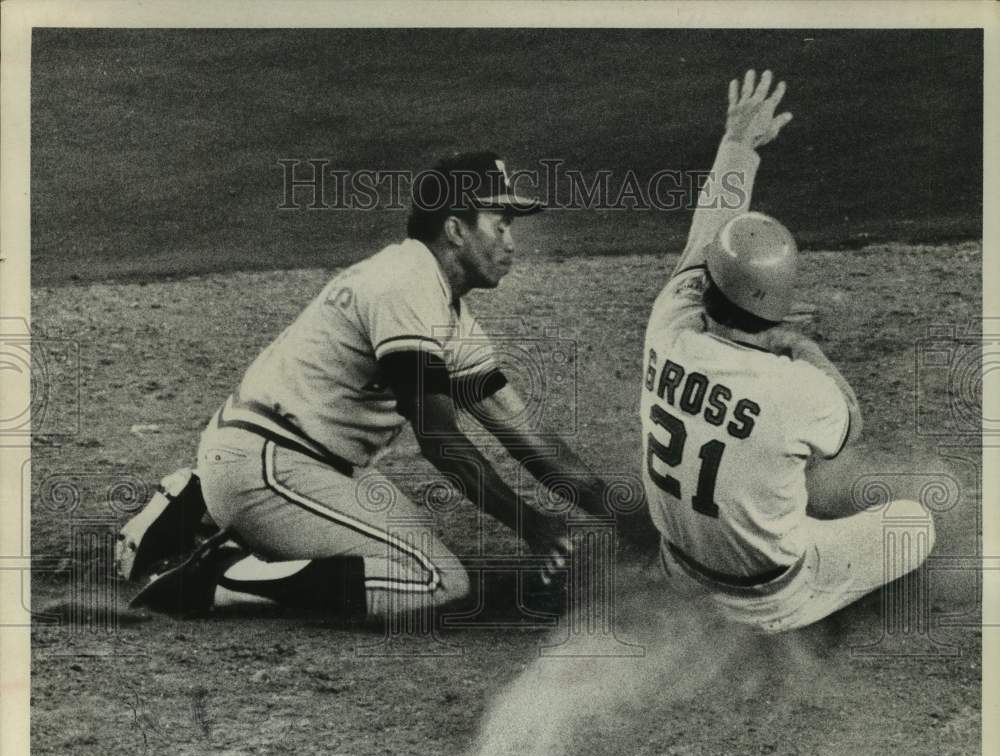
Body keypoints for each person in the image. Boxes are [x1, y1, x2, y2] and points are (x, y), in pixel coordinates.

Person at [122, 151, 632, 622]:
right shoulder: (404, 286)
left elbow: (524, 436)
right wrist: (532, 525)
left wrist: (626, 517)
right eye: (499, 224)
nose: (510, 241)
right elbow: (439, 440)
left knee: (407, 557)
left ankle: (198, 507)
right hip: (269, 466)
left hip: (306, 465)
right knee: (436, 583)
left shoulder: (444, 305)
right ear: (455, 229)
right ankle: (219, 577)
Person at [640, 69, 936, 633]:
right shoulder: (799, 388)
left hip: (678, 568)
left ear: (709, 285)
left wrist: (737, 145)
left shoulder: (668, 322)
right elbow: (848, 431)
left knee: (774, 471)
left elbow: (706, 235)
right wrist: (800, 346)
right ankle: (814, 620)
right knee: (913, 522)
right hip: (770, 601)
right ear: (781, 303)